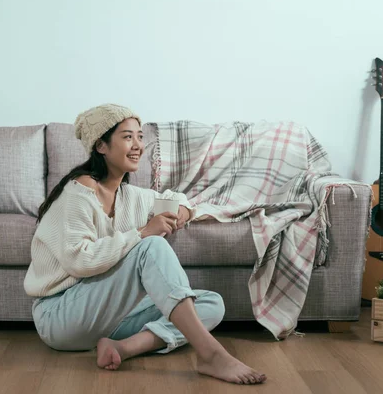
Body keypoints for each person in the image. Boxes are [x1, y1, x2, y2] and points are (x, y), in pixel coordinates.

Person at [23, 104, 266, 385]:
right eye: (127, 137)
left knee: (211, 303)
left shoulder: (128, 195)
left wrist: (181, 213)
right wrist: (142, 233)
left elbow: (179, 199)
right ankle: (211, 354)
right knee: (152, 246)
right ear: (101, 145)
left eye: (140, 137)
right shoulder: (79, 192)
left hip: (107, 318)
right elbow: (81, 260)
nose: (138, 145)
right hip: (60, 317)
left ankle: (124, 348)